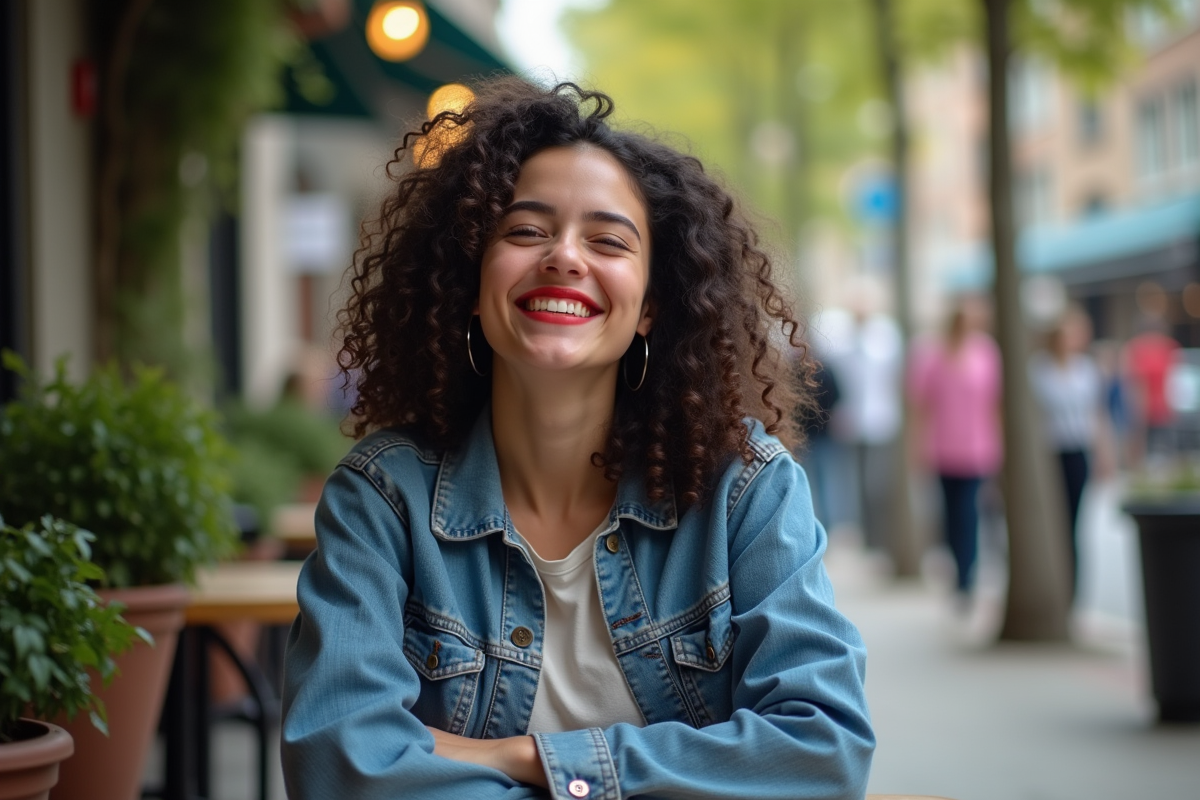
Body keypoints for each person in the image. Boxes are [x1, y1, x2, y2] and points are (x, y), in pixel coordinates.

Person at [280, 80, 874, 800]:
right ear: (472, 280)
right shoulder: (383, 498)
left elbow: (822, 751)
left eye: (608, 240)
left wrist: (524, 757)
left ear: (651, 304)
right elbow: (341, 763)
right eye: (526, 231)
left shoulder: (743, 487)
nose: (564, 257)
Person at [908, 297, 1002, 601]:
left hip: (977, 446)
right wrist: (916, 445)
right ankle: (958, 568)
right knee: (951, 512)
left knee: (970, 511)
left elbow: (994, 402)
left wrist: (998, 442)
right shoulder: (932, 354)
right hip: (943, 446)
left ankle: (968, 573)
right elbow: (921, 405)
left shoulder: (986, 352)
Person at [1028, 308, 1111, 600]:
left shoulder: (1086, 370)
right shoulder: (1039, 370)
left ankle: (1074, 590)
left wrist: (1104, 452)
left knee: (1075, 522)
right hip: (1051, 451)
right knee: (1055, 521)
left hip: (1079, 449)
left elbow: (1096, 414)